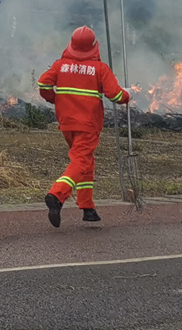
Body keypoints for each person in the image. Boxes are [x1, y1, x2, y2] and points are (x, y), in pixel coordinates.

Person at [37, 26, 130, 227]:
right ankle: (57, 194)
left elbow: (43, 84)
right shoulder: (100, 69)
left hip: (66, 123)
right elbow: (115, 96)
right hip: (88, 124)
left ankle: (87, 207)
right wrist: (128, 94)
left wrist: (55, 99)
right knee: (80, 161)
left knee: (85, 161)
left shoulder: (60, 65)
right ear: (94, 46)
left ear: (71, 44)